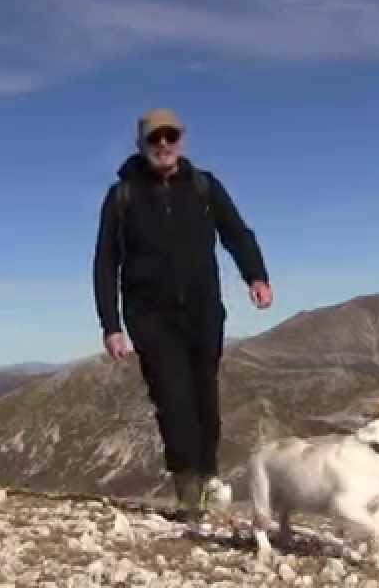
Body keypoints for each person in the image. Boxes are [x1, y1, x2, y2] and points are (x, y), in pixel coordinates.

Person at [93, 107, 272, 522]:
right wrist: (111, 324)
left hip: (204, 310)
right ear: (141, 145)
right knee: (173, 401)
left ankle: (208, 475)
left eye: (170, 137)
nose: (163, 146)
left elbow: (236, 232)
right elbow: (105, 262)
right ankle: (189, 491)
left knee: (205, 398)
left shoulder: (204, 186)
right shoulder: (122, 195)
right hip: (149, 316)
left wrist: (256, 275)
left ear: (181, 141)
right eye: (154, 139)